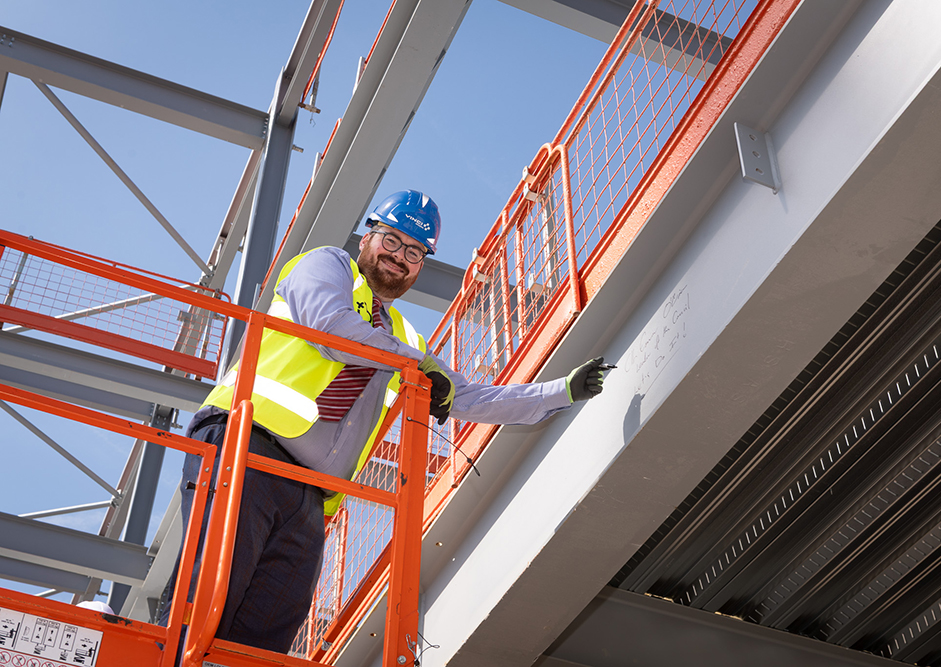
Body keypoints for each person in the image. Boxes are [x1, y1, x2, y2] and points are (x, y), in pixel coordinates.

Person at [159, 190, 606, 653]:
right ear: (367, 238)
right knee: (210, 589)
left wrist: (560, 392)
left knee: (268, 630)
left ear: (421, 266)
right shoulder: (326, 266)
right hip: (246, 445)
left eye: (414, 251)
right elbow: (331, 328)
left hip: (313, 496)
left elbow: (466, 396)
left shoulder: (405, 339)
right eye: (392, 240)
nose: (400, 257)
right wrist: (418, 366)